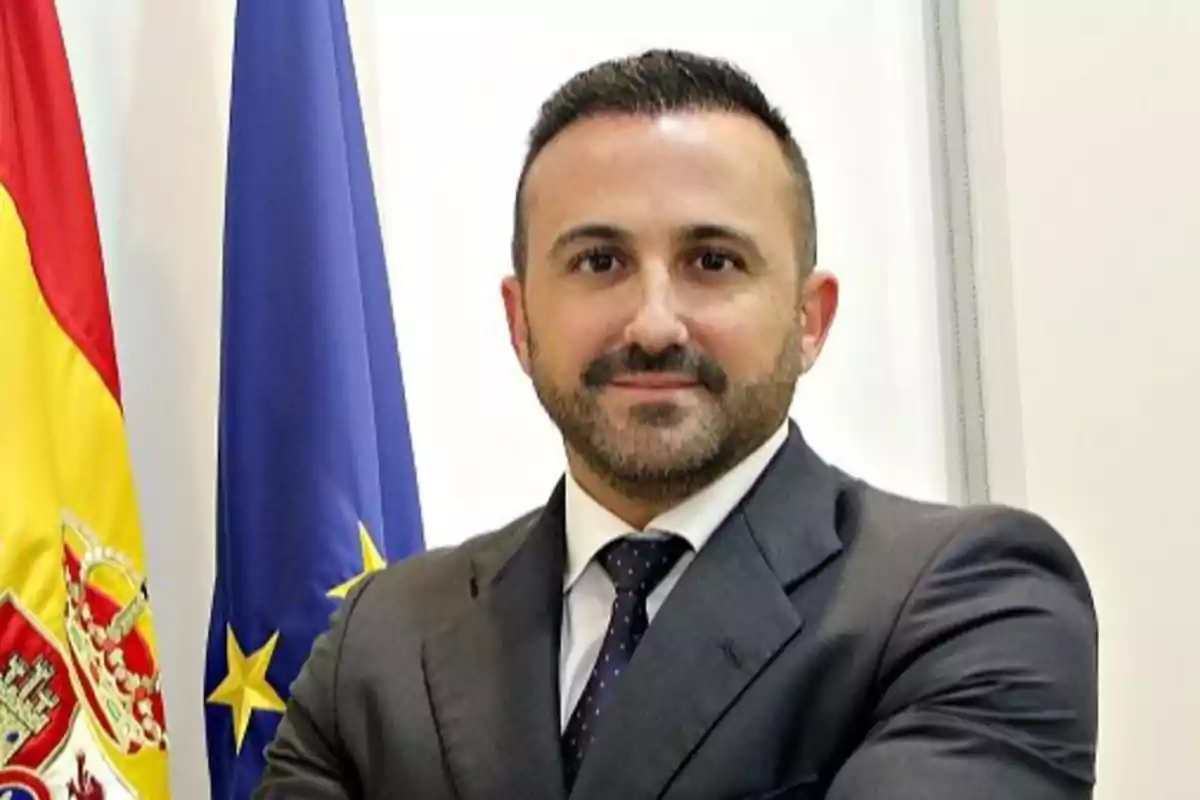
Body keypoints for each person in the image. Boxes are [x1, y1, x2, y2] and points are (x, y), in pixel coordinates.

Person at [255, 49, 1098, 800]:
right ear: (520, 323)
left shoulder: (973, 603)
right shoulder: (382, 641)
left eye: (712, 262)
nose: (654, 323)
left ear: (810, 319)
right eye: (600, 262)